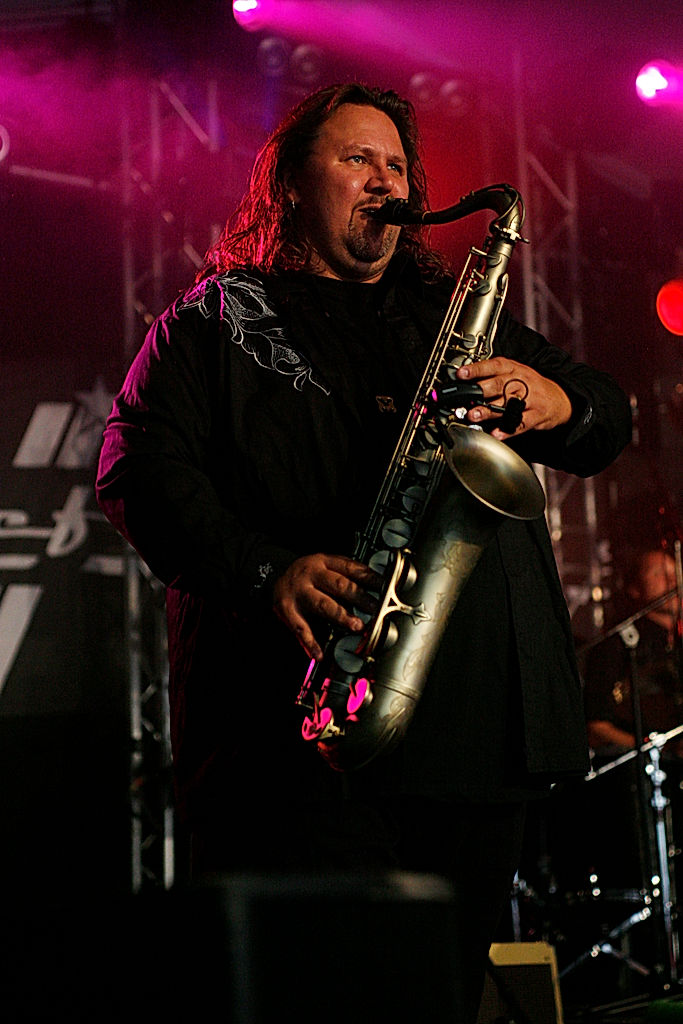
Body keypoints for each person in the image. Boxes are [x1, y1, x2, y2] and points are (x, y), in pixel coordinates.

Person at [95, 82, 632, 1021]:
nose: (384, 180)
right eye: (356, 160)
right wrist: (267, 569)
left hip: (470, 736)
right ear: (291, 188)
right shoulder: (214, 319)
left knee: (442, 995)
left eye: (396, 164)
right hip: (296, 736)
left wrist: (555, 401)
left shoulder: (447, 310)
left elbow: (605, 415)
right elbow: (136, 470)